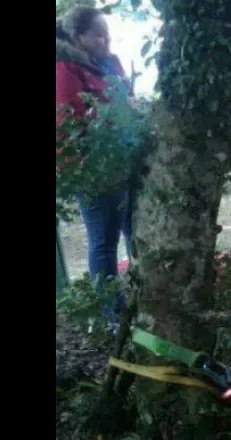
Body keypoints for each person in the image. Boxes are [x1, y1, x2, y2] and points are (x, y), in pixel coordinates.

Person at [56, 6, 134, 322]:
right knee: (104, 242)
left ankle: (138, 298)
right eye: (98, 34)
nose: (106, 39)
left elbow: (126, 100)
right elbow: (67, 124)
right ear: (77, 37)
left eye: (108, 32)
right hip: (95, 169)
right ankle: (110, 316)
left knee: (134, 230)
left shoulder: (111, 62)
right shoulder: (65, 68)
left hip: (127, 161)